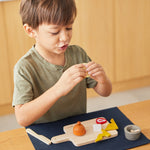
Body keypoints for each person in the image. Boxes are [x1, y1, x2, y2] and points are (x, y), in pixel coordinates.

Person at [12, 0, 112, 127]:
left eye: (69, 27)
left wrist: (103, 80)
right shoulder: (25, 67)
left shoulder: (78, 54)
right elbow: (22, 118)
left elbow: (105, 92)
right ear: (31, 31)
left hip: (78, 127)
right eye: (54, 32)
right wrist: (59, 89)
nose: (65, 37)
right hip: (46, 134)